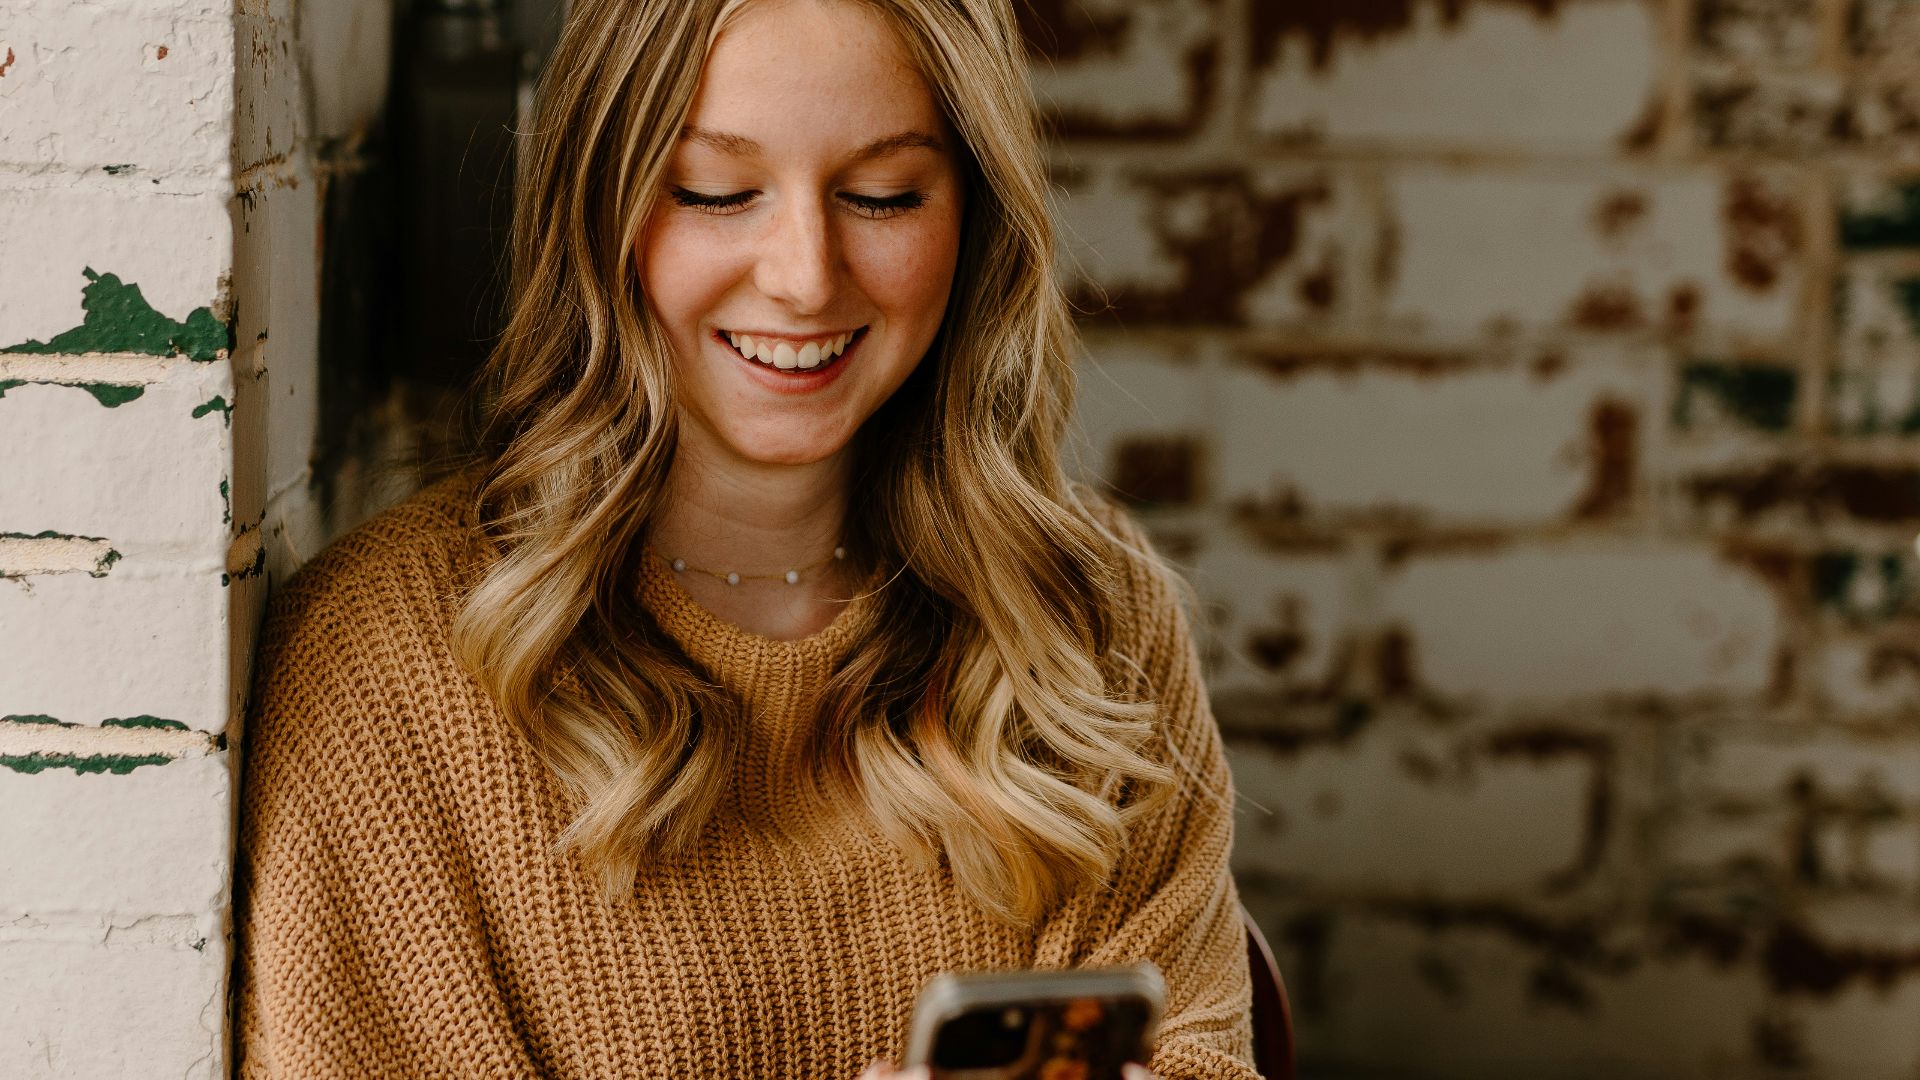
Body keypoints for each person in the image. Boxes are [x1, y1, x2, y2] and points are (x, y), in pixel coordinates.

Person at [232, 0, 1257, 1076]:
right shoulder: (383, 667)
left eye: (882, 194)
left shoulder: (1090, 617)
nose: (805, 276)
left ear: (974, 216)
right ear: (600, 205)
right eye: (717, 192)